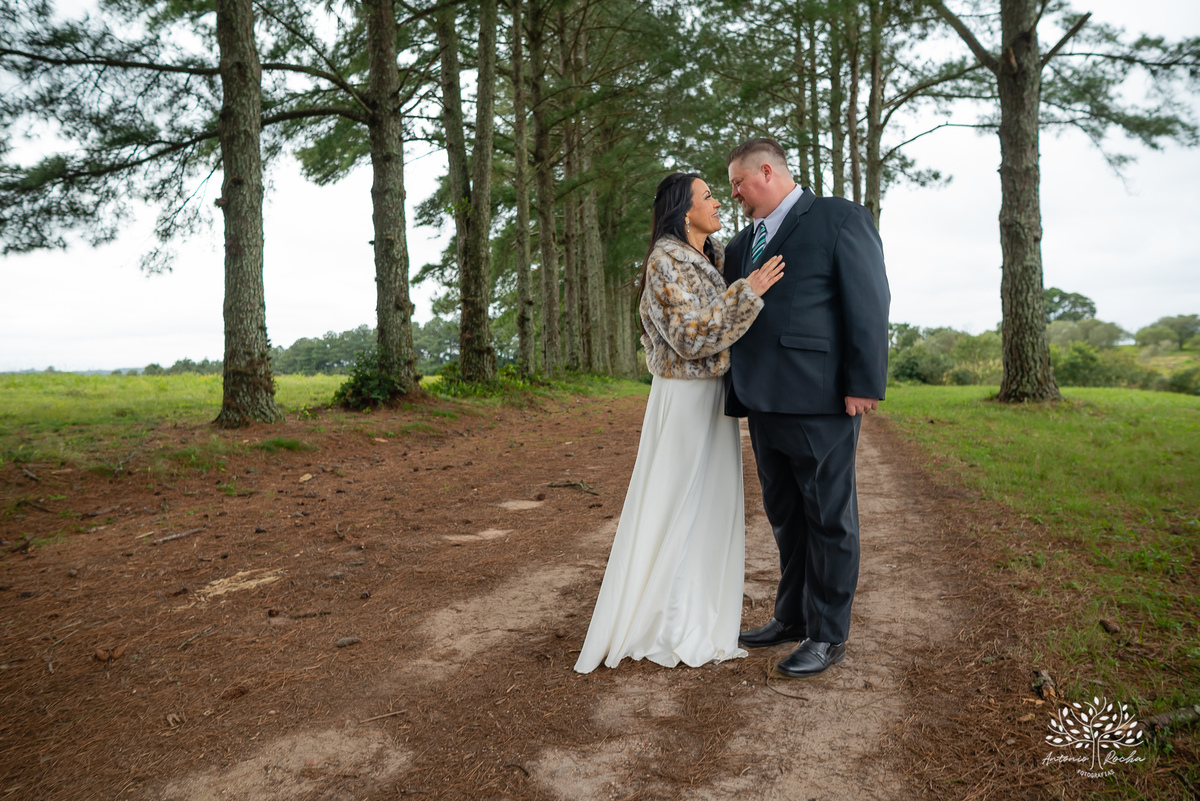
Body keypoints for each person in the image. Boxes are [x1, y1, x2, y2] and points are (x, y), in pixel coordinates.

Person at [574, 172, 784, 674]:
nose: (718, 203)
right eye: (708, 196)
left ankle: (696, 610)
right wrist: (747, 292)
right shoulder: (666, 260)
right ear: (682, 209)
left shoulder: (709, 256)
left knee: (707, 505)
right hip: (686, 399)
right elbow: (690, 339)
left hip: (710, 395)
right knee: (677, 504)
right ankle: (665, 622)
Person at [724, 138, 890, 679]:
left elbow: (869, 302)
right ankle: (791, 616)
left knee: (828, 518)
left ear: (766, 173)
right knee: (786, 515)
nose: (735, 197)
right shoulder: (741, 243)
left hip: (821, 400)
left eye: (738, 185)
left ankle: (827, 634)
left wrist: (863, 381)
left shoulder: (841, 219)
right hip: (762, 401)